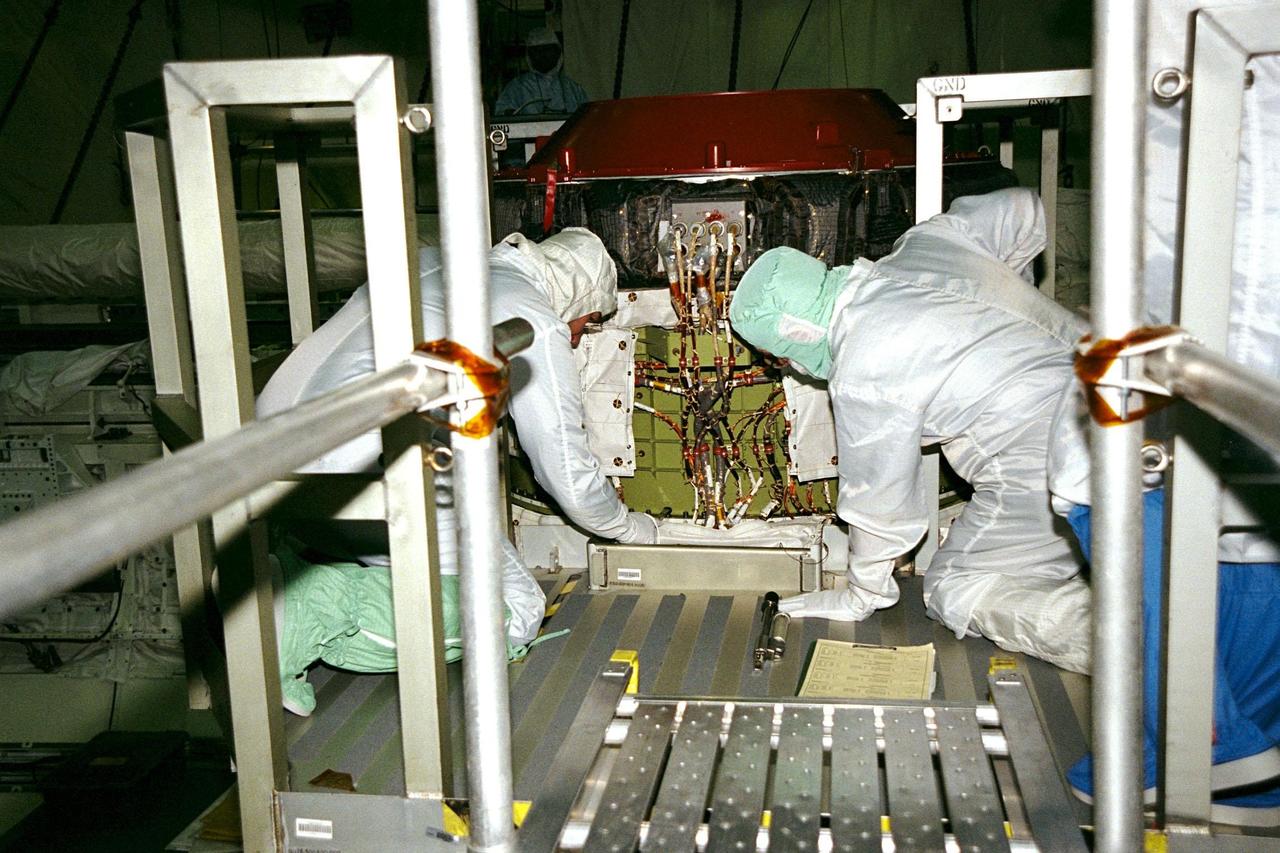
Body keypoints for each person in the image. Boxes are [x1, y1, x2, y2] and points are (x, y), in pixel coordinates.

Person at [728, 187, 1092, 673]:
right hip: (1122, 379)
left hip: (1051, 458)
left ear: (796, 332)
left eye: (777, 356)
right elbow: (1023, 209)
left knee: (956, 587)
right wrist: (1009, 305)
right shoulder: (925, 244)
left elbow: (879, 503)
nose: (789, 366)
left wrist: (862, 593)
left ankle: (1135, 643)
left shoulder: (864, 363)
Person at [256, 228, 659, 650]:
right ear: (579, 293)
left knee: (404, 571)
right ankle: (303, 612)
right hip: (360, 473)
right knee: (516, 610)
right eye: (589, 322)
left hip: (273, 462)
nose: (577, 337)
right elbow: (566, 469)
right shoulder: (532, 316)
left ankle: (283, 580)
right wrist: (631, 529)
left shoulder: (434, 261)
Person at [494, 26, 588, 117]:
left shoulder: (572, 88)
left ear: (558, 52)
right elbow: (502, 115)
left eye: (547, 49)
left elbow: (587, 117)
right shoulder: (517, 88)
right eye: (537, 51)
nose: (543, 55)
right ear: (529, 55)